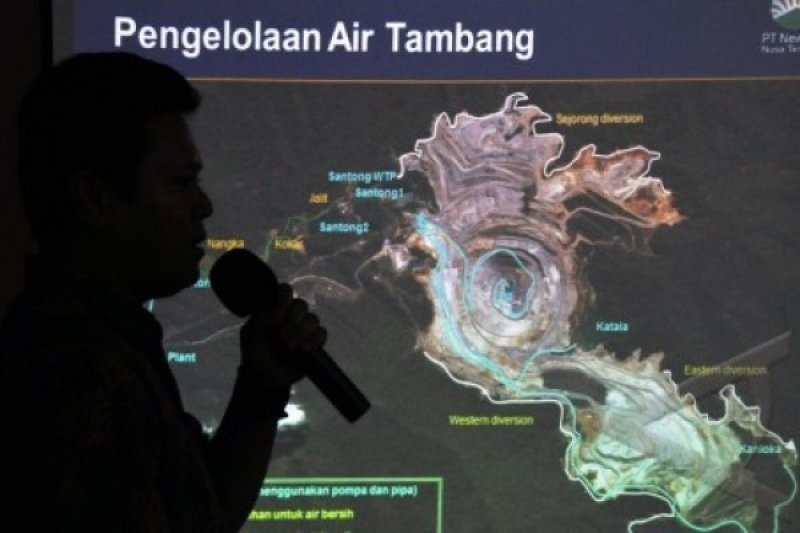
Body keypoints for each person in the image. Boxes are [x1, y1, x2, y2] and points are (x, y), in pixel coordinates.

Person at [0, 51, 325, 532]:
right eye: (181, 182)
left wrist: (262, 387)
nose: (203, 204)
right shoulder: (77, 372)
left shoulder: (107, 338)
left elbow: (202, 513)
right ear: (95, 197)